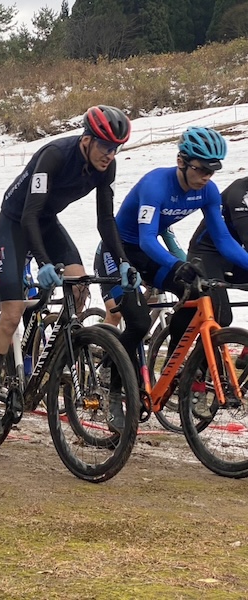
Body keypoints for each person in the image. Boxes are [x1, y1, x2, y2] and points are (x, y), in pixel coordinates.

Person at [0, 105, 137, 436]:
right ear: (86, 140)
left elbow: (105, 221)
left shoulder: (104, 168)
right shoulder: (54, 155)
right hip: (16, 221)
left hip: (47, 222)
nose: (110, 155)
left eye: (116, 149)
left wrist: (123, 260)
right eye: (105, 146)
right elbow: (28, 215)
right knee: (11, 314)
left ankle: (53, 357)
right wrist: (42, 264)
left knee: (79, 284)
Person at [100, 126, 248, 421]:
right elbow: (145, 239)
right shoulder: (156, 184)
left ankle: (175, 366)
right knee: (139, 323)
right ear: (182, 161)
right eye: (201, 169)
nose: (206, 177)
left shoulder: (207, 191)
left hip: (150, 253)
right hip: (120, 252)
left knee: (196, 292)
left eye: (212, 171)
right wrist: (177, 264)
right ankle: (113, 389)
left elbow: (223, 240)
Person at [94, 226, 186, 327]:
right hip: (111, 254)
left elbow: (176, 250)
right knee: (115, 313)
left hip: (138, 256)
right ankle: (104, 340)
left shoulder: (165, 218)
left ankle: (142, 328)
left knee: (153, 296)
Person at [187, 175, 248, 327]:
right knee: (222, 318)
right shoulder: (240, 193)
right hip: (206, 255)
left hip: (235, 256)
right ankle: (202, 348)